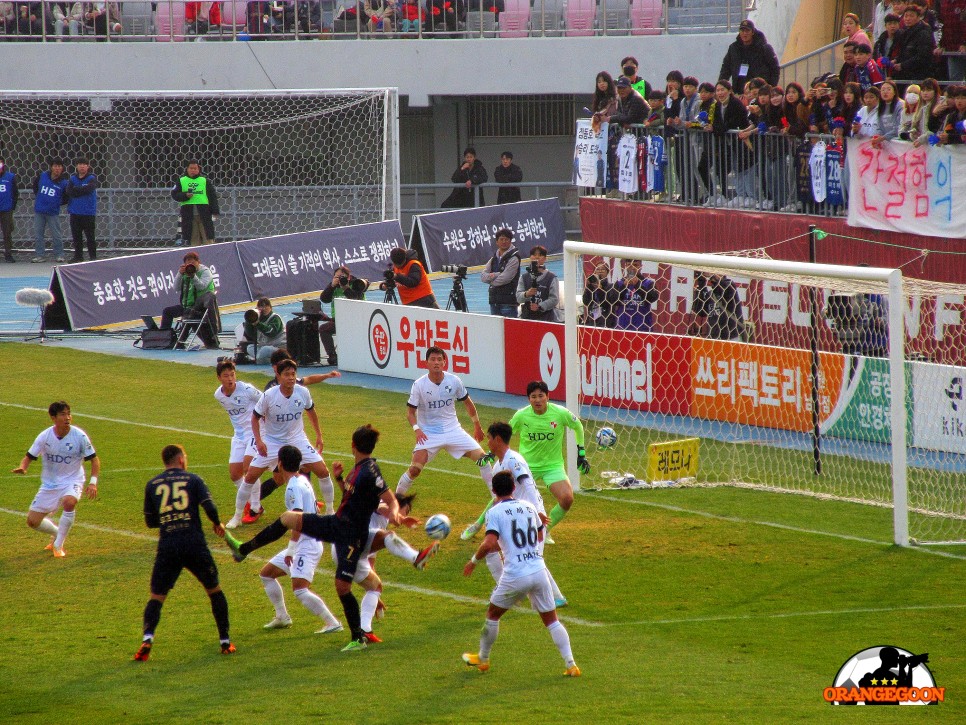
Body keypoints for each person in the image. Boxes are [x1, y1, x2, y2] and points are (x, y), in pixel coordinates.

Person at [224, 423, 440, 652]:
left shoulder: (369, 471)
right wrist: (339, 480)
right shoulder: (360, 470)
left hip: (348, 534)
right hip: (338, 525)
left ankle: (358, 636)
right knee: (290, 518)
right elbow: (358, 494)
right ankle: (243, 549)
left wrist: (395, 513)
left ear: (353, 446)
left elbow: (389, 498)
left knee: (343, 587)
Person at [461, 471, 579, 677]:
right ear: (514, 488)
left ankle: (483, 657)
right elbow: (541, 533)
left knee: (492, 614)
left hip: (515, 574)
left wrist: (473, 561)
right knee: (552, 620)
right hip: (539, 571)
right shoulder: (529, 507)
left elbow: (488, 544)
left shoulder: (495, 512)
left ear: (494, 491)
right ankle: (571, 664)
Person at [134, 444, 234, 661]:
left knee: (157, 597)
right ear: (180, 460)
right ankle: (225, 641)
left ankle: (148, 637)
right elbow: (209, 507)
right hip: (194, 543)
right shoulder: (193, 480)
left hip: (168, 545)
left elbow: (151, 522)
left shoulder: (152, 484)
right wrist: (217, 523)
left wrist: (170, 518)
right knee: (214, 590)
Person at [461, 421, 568, 604]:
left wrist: (537, 512)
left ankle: (550, 597)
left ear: (498, 439)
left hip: (530, 516)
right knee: (511, 554)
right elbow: (498, 497)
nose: (487, 443)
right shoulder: (498, 465)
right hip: (517, 517)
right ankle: (515, 592)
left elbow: (527, 484)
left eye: (489, 438)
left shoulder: (514, 460)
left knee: (533, 558)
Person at [229, 359, 334, 528]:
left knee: (323, 471)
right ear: (278, 375)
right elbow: (255, 418)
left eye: (293, 374)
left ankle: (330, 512)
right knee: (249, 476)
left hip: (297, 439)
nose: (291, 378)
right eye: (287, 374)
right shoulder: (269, 395)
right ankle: (237, 516)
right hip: (272, 442)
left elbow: (311, 412)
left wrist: (319, 436)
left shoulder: (303, 392)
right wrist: (259, 441)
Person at [258, 445, 344, 633]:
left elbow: (297, 519)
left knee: (300, 590)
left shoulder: (293, 487)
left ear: (279, 464)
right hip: (307, 541)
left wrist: (290, 549)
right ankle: (282, 616)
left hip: (307, 545)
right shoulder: (302, 479)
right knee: (266, 574)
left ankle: (333, 623)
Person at [395, 346, 493, 496]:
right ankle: (396, 502)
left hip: (453, 430)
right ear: (426, 363)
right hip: (429, 434)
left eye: (439, 359)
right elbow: (410, 413)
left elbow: (467, 402)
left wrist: (477, 426)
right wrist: (417, 429)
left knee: (483, 460)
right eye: (433, 359)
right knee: (414, 469)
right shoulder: (419, 385)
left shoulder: (454, 381)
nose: (436, 362)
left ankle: (497, 499)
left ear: (444, 362)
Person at [12, 400, 100, 558]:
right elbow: (29, 456)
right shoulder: (45, 436)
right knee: (32, 521)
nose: (67, 417)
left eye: (69, 414)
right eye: (63, 414)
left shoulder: (79, 436)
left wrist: (93, 483)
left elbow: (94, 459)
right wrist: (23, 467)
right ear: (53, 417)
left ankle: (59, 544)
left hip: (73, 480)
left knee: (69, 502)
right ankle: (57, 533)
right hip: (50, 484)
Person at [508, 381, 588, 535]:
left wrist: (581, 453)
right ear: (528, 399)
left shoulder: (559, 413)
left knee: (567, 499)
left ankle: (545, 531)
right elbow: (506, 434)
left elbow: (578, 426)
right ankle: (478, 525)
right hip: (526, 466)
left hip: (552, 466)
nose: (537, 400)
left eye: (541, 396)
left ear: (548, 397)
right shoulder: (521, 416)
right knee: (504, 493)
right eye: (533, 397)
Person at [213, 359, 263, 525]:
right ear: (219, 377)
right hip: (239, 436)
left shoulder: (247, 389)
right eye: (226, 375)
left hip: (255, 433)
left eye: (232, 374)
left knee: (248, 468)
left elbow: (265, 401)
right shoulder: (218, 395)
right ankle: (249, 498)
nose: (230, 378)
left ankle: (255, 507)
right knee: (235, 474)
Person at [159, 250, 222, 349]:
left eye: (192, 263)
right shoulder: (184, 272)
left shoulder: (205, 271)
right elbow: (176, 288)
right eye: (188, 264)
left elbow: (202, 286)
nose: (190, 265)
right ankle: (164, 339)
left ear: (198, 262)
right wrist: (180, 274)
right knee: (167, 311)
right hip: (186, 305)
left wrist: (193, 276)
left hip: (201, 307)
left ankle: (181, 341)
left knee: (189, 313)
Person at [319, 264, 367, 367]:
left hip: (356, 319)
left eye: (342, 277)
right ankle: (332, 355)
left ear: (348, 277)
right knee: (323, 329)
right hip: (338, 320)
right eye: (337, 277)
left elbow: (356, 299)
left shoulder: (357, 284)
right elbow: (324, 299)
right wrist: (331, 286)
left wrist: (346, 288)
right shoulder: (333, 286)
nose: (339, 279)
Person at [718, 18, 780, 95]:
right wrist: (721, 87)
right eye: (742, 31)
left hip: (759, 92)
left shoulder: (764, 48)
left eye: (747, 31)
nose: (744, 33)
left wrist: (771, 87)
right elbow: (725, 68)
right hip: (739, 92)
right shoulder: (733, 48)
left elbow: (775, 69)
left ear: (753, 32)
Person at [171, 160, 219, 246]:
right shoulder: (181, 180)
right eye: (191, 168)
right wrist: (185, 195)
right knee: (194, 239)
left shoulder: (204, 181)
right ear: (187, 169)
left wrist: (215, 211)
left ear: (199, 169)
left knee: (208, 238)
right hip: (189, 215)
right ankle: (196, 257)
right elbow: (174, 194)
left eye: (195, 168)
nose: (193, 170)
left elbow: (212, 196)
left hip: (204, 214)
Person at [31, 158, 68, 263]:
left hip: (53, 212)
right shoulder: (42, 176)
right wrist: (40, 199)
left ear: (62, 169)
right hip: (39, 210)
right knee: (38, 234)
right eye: (55, 166)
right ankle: (40, 255)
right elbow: (35, 187)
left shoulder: (64, 183)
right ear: (51, 167)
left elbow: (66, 197)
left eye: (59, 166)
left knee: (56, 234)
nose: (57, 169)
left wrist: (56, 203)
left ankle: (59, 255)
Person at [690, 272, 745, 342]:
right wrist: (701, 281)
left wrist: (712, 274)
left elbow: (722, 288)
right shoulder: (710, 295)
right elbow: (700, 311)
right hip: (715, 338)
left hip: (732, 337)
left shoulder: (730, 286)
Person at [480, 227, 522, 318]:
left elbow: (505, 279)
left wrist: (491, 281)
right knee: (495, 330)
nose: (504, 242)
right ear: (497, 242)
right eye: (501, 239)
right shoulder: (494, 257)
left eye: (506, 239)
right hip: (494, 301)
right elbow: (483, 276)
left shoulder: (514, 258)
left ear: (510, 241)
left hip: (508, 302)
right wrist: (497, 274)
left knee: (510, 330)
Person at [892, 4, 937, 86]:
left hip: (919, 75)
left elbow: (922, 56)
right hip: (906, 74)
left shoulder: (924, 33)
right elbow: (903, 52)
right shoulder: (905, 32)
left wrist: (903, 65)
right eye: (906, 16)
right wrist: (896, 60)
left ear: (919, 17)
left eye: (911, 16)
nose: (908, 19)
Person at [65, 156, 98, 263]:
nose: (82, 166)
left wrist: (76, 190)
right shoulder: (72, 179)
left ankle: (93, 257)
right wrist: (78, 190)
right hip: (75, 212)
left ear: (88, 166)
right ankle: (78, 256)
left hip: (88, 213)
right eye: (80, 164)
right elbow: (69, 191)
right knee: (77, 237)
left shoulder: (91, 178)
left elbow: (89, 189)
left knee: (90, 237)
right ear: (76, 166)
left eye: (84, 164)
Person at [516, 245, 560, 322]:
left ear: (545, 258)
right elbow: (518, 298)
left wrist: (540, 306)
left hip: (546, 318)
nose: (537, 257)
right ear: (530, 257)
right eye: (534, 255)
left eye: (540, 255)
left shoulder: (552, 277)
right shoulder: (524, 277)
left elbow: (554, 299)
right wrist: (526, 294)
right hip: (527, 317)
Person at [241, 297, 286, 365]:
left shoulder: (275, 318)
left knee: (265, 350)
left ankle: (262, 359)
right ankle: (265, 359)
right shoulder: (258, 318)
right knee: (249, 347)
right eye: (261, 306)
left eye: (266, 306)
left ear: (270, 307)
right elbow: (250, 334)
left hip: (278, 347)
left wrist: (258, 324)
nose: (263, 309)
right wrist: (250, 320)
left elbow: (271, 332)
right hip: (264, 346)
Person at [0, 154, 18, 263]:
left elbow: (15, 192)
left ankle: (8, 253)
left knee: (7, 232)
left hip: (6, 210)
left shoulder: (10, 177)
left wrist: (12, 206)